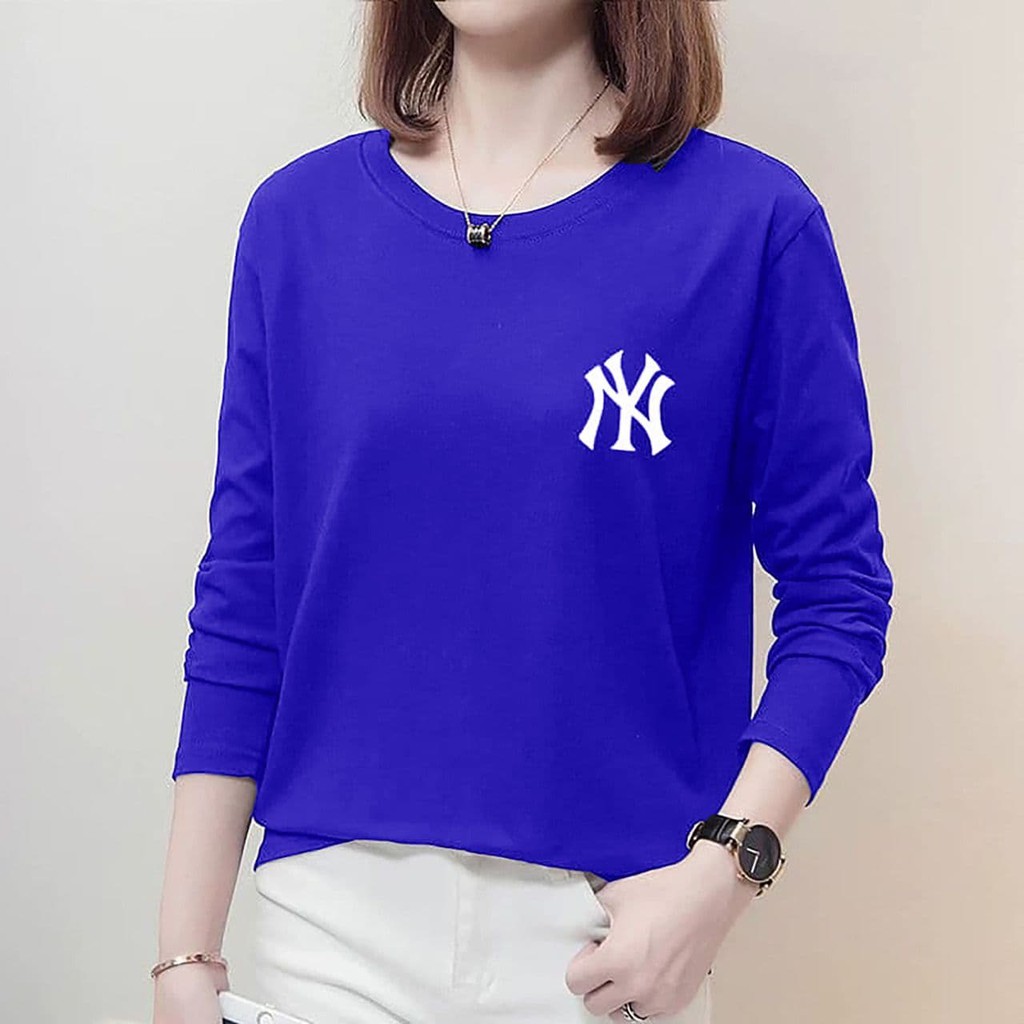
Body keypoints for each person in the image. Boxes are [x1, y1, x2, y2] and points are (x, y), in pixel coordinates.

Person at [152, 1, 895, 1022]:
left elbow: (839, 593)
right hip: (329, 933)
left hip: (608, 945)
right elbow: (245, 594)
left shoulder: (750, 224)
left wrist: (725, 870)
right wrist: (184, 958)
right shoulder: (299, 222)